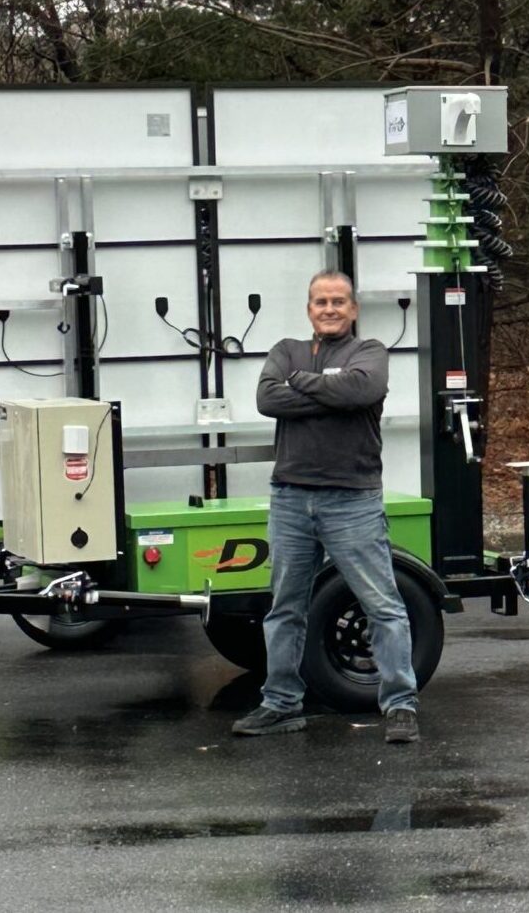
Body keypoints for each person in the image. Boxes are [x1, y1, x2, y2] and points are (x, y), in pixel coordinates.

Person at [232, 270, 419, 743]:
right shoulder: (285, 350)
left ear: (353, 310)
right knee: (284, 609)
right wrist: (328, 389)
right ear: (309, 309)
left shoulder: (369, 352)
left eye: (339, 301)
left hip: (352, 499)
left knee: (382, 605)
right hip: (291, 497)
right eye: (321, 302)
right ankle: (281, 704)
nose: (330, 309)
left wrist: (304, 385)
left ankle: (399, 704)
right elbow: (266, 399)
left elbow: (362, 390)